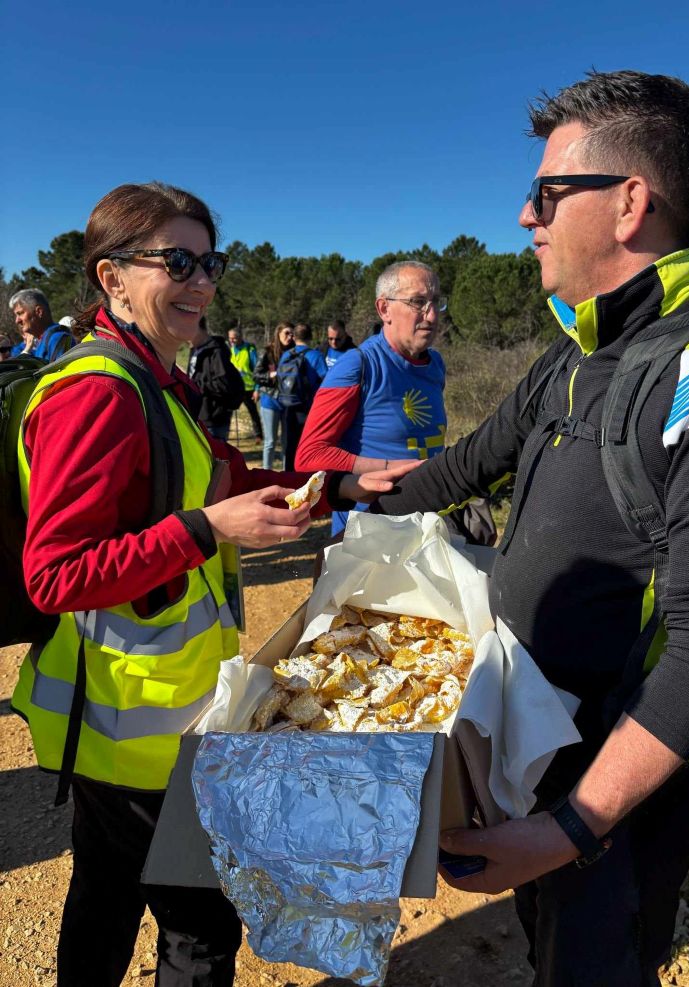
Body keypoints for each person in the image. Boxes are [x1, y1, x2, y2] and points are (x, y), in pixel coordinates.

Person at [366, 71, 689, 987]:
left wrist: (573, 826)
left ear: (629, 204)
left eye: (545, 193)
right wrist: (328, 505)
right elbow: (465, 465)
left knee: (597, 963)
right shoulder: (571, 355)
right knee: (548, 940)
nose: (525, 216)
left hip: (624, 773)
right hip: (536, 733)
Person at [10, 180, 407, 987]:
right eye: (178, 262)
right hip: (132, 727)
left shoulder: (155, 379)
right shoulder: (98, 394)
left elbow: (230, 476)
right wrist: (207, 529)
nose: (202, 283)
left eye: (210, 263)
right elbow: (53, 573)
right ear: (112, 277)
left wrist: (341, 484)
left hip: (149, 715)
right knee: (200, 929)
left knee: (107, 891)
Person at [296, 261, 447, 535]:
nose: (432, 315)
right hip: (369, 533)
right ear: (384, 309)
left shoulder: (435, 364)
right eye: (418, 302)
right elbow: (309, 456)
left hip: (428, 524)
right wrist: (392, 469)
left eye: (436, 301)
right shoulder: (357, 365)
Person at [278, 322, 327, 469]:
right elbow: (325, 382)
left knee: (290, 446)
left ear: (294, 337)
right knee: (307, 446)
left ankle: (289, 475)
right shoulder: (316, 356)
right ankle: (305, 475)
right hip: (308, 408)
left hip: (287, 405)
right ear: (311, 337)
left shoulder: (286, 355)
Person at [187, 317, 244, 440]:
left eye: (186, 329)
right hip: (197, 415)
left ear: (197, 327)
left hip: (213, 419)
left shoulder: (217, 352)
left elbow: (223, 384)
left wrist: (196, 385)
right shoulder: (194, 350)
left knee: (214, 452)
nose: (184, 336)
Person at [254, 321, 294, 468]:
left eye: (292, 334)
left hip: (288, 401)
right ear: (278, 333)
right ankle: (266, 474)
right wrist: (270, 375)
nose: (289, 337)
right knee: (270, 442)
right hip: (270, 399)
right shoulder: (267, 352)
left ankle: (286, 473)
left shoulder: (294, 352)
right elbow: (256, 375)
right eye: (286, 333)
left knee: (286, 442)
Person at [9, 288, 75, 361]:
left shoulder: (57, 339)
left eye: (20, 313)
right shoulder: (42, 341)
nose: (17, 321)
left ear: (39, 312)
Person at [228, 327, 263, 441]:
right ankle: (225, 435)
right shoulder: (230, 350)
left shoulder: (249, 349)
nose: (232, 340)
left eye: (234, 338)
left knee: (253, 413)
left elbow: (257, 370)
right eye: (230, 338)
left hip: (249, 388)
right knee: (228, 412)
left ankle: (258, 435)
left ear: (240, 337)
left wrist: (257, 389)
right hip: (235, 388)